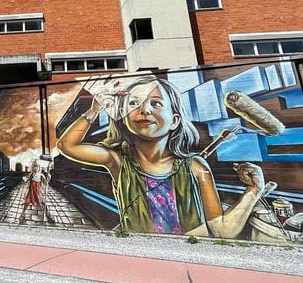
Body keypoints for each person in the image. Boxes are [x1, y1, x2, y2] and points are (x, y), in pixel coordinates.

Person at [56, 75, 265, 238]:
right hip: (142, 253)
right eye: (134, 103)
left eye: (155, 103)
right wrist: (95, 110)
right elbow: (67, 146)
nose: (144, 110)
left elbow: (221, 230)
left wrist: (254, 190)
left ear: (174, 121)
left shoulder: (195, 166)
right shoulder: (119, 161)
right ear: (124, 119)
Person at [19, 153, 53, 223]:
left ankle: (48, 213)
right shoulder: (31, 174)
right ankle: (22, 213)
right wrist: (25, 179)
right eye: (34, 167)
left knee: (43, 202)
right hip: (31, 191)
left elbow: (45, 183)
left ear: (39, 168)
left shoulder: (41, 175)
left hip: (38, 191)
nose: (35, 168)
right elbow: (27, 179)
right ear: (32, 167)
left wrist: (48, 178)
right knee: (27, 202)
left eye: (37, 167)